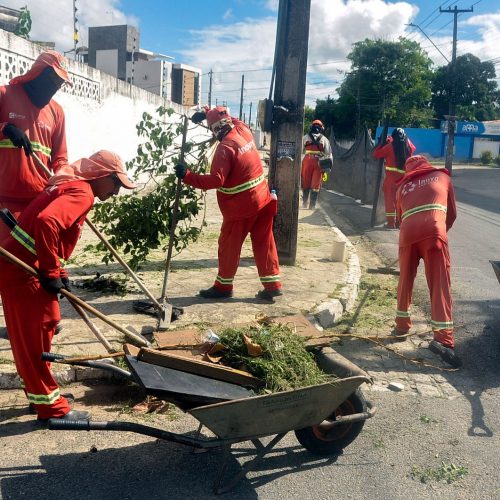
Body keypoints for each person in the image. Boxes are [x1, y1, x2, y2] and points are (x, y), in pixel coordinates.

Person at [0, 151, 136, 422]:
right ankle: (52, 409)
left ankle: (40, 396)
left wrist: (60, 272)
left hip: (23, 268)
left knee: (44, 329)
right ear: (101, 175)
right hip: (24, 272)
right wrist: (51, 272)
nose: (116, 192)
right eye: (115, 183)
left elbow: (51, 233)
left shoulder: (72, 185)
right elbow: (47, 222)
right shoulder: (83, 192)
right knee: (37, 338)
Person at [175, 106, 282, 301]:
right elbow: (228, 118)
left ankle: (223, 287)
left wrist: (187, 176)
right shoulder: (243, 129)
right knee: (264, 242)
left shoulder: (224, 149)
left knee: (229, 246)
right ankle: (272, 285)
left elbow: (216, 180)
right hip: (264, 199)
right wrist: (207, 113)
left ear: (215, 129)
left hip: (241, 207)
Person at [393, 155, 461, 368]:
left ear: (408, 170)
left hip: (407, 233)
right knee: (440, 283)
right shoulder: (442, 176)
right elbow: (452, 214)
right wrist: (438, 233)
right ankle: (443, 338)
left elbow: (399, 219)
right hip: (434, 231)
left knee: (405, 280)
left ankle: (401, 325)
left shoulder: (401, 187)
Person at [0, 50, 72, 242]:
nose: (56, 87)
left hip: (37, 203)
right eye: (54, 80)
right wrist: (5, 129)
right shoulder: (5, 94)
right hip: (4, 202)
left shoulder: (57, 112)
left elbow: (60, 159)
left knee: (29, 256)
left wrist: (65, 182)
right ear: (40, 73)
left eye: (60, 83)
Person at [372, 127, 416, 229]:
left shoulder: (389, 147)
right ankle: (399, 223)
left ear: (393, 136)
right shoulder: (408, 147)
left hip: (391, 179)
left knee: (390, 202)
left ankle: (391, 224)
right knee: (400, 202)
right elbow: (412, 147)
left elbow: (376, 154)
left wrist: (383, 142)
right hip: (403, 179)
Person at [301, 119, 333, 210]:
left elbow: (300, 151)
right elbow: (328, 154)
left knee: (306, 182)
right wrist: (328, 168)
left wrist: (300, 163)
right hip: (319, 162)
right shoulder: (324, 139)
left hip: (307, 160)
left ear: (311, 127)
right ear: (322, 128)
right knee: (315, 184)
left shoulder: (305, 137)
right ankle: (312, 205)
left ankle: (305, 203)